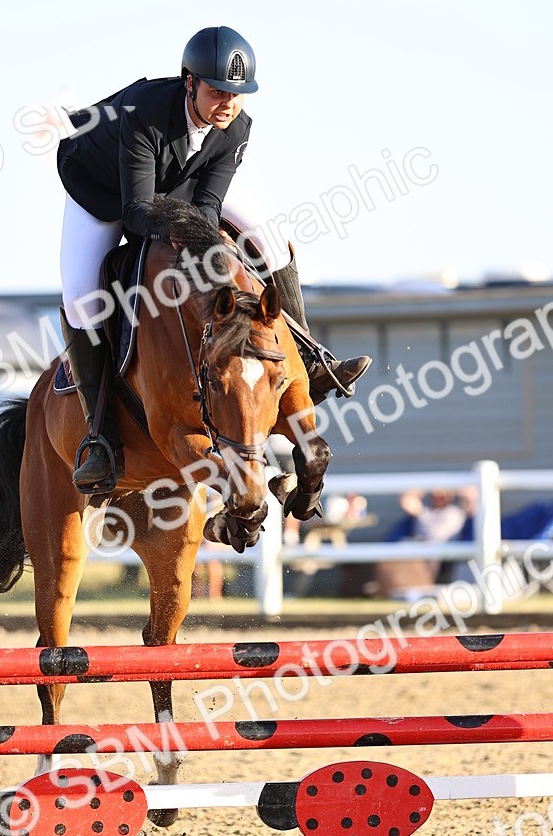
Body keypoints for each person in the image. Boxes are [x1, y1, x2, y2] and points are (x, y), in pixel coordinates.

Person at [56, 26, 371, 494]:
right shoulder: (145, 114)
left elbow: (206, 206)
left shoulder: (236, 128)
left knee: (272, 237)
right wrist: (185, 231)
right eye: (217, 91)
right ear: (190, 83)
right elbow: (136, 211)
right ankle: (100, 435)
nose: (227, 103)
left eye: (236, 94)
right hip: (101, 187)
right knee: (82, 298)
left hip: (178, 183)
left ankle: (309, 358)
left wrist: (207, 250)